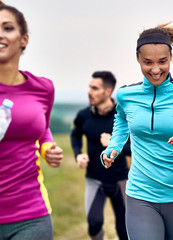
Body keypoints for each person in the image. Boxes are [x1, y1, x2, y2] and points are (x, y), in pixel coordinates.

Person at [101, 23, 173, 240]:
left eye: (162, 61)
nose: (155, 69)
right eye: (148, 62)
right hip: (140, 195)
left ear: (170, 58)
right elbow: (122, 120)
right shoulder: (127, 95)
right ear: (138, 59)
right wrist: (114, 146)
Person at [0, 2, 63, 240]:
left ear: (23, 38)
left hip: (30, 216)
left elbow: (42, 127)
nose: (0, 35)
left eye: (7, 28)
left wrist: (47, 148)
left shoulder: (42, 88)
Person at [71, 71, 130, 240]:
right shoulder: (84, 116)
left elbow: (135, 148)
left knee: (124, 229)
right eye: (89, 87)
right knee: (94, 223)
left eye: (94, 88)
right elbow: (75, 135)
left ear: (107, 91)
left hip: (120, 180)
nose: (89, 92)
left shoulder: (123, 116)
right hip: (94, 178)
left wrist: (115, 144)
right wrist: (78, 154)